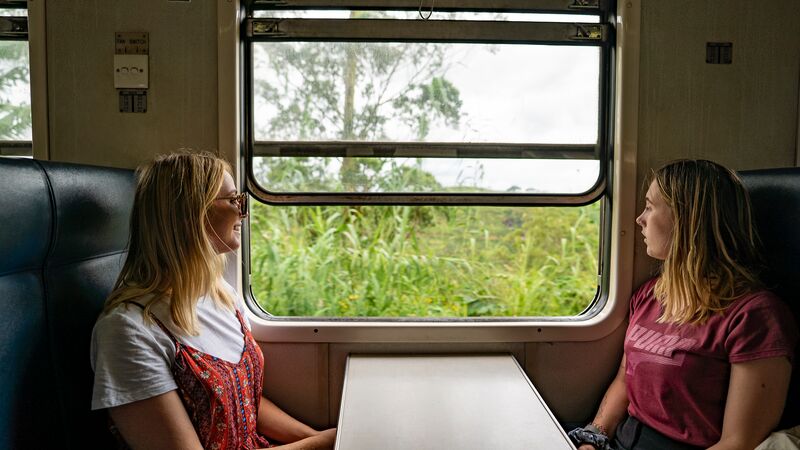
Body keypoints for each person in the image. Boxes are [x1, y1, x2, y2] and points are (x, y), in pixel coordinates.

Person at [90, 152, 336, 450]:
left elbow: (243, 401)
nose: (243, 212)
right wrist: (323, 443)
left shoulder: (220, 295)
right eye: (234, 200)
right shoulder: (128, 331)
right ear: (192, 213)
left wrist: (318, 438)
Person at [568, 160, 798, 450]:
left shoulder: (755, 316)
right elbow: (625, 383)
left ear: (687, 219)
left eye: (650, 207)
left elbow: (739, 442)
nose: (640, 219)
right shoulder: (649, 296)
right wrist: (594, 438)